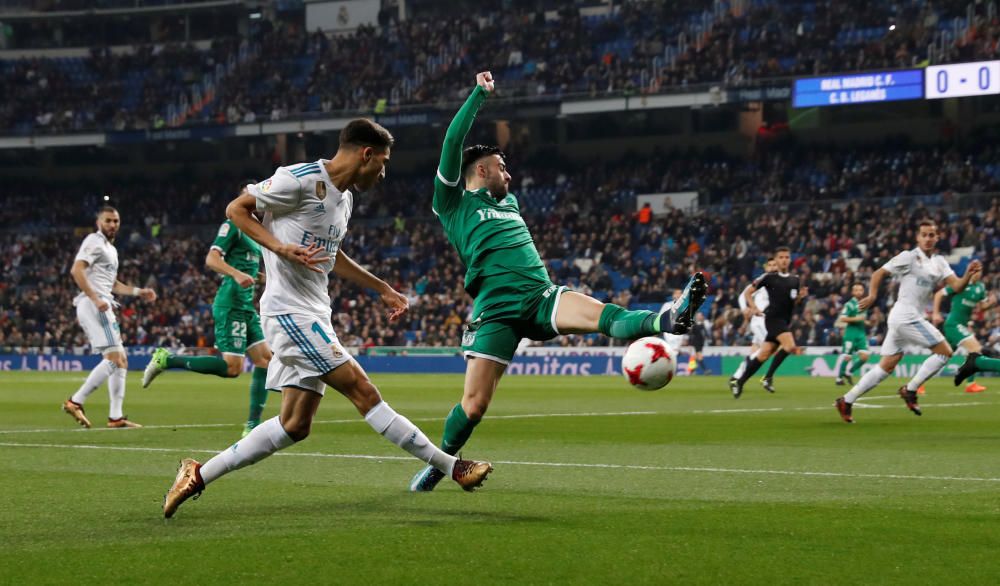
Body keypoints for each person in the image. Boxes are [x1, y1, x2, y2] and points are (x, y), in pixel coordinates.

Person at [162, 119, 493, 518]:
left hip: (316, 312)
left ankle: (197, 473)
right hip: (288, 313)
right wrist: (280, 248)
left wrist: (380, 286)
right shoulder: (298, 180)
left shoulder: (346, 199)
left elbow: (333, 256)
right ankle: (453, 467)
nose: (384, 173)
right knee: (363, 390)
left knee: (294, 424)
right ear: (365, 154)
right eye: (382, 163)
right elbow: (237, 210)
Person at [408, 72, 707, 492]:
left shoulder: (508, 202)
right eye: (502, 166)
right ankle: (440, 463)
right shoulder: (453, 204)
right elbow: (452, 143)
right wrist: (478, 95)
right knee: (474, 407)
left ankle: (669, 321)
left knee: (605, 316)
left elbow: (503, 189)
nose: (508, 174)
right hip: (496, 310)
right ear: (481, 167)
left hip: (540, 296)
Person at [142, 195, 274, 437]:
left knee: (265, 360)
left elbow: (247, 267)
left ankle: (252, 425)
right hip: (230, 304)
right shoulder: (233, 224)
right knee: (233, 368)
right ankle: (168, 360)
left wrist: (260, 277)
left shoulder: (254, 231)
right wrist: (235, 274)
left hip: (245, 306)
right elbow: (212, 259)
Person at [835, 220, 982, 423]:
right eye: (924, 235)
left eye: (932, 235)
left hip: (904, 318)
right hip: (905, 316)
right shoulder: (909, 257)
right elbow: (879, 273)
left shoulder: (939, 262)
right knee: (945, 352)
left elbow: (956, 286)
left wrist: (967, 274)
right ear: (918, 237)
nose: (928, 238)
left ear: (937, 237)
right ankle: (910, 390)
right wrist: (871, 296)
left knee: (886, 366)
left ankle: (846, 400)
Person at [62, 206, 156, 429]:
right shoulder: (94, 241)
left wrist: (138, 292)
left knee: (121, 360)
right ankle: (75, 401)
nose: (112, 224)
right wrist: (95, 299)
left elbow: (112, 284)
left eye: (116, 221)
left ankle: (116, 417)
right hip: (95, 305)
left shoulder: (110, 249)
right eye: (108, 220)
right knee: (114, 358)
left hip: (103, 302)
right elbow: (77, 270)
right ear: (99, 222)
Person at [729, 248, 805, 398]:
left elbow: (793, 303)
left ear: (790, 260)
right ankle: (768, 377)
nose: (784, 260)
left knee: (763, 355)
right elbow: (747, 292)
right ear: (776, 260)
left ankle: (740, 381)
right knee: (790, 346)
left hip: (784, 321)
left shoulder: (795, 280)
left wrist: (800, 298)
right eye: (781, 257)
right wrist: (753, 307)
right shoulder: (768, 277)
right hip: (773, 319)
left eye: (787, 257)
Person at [934, 269, 1000, 392]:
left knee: (941, 357)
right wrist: (936, 313)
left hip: (962, 325)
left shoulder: (980, 287)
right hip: (953, 324)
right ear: (970, 272)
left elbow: (981, 308)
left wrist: (991, 303)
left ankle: (918, 383)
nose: (978, 274)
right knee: (975, 349)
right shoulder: (961, 283)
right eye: (975, 271)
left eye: (980, 271)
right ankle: (970, 383)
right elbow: (939, 294)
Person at [731, 257, 776, 383]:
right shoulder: (762, 280)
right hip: (759, 321)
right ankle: (764, 378)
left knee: (756, 351)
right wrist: (745, 308)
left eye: (774, 265)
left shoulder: (778, 282)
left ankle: (737, 376)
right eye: (770, 265)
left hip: (768, 322)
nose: (772, 268)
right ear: (766, 267)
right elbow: (743, 295)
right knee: (768, 349)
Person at [835, 283, 871, 386]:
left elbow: (862, 318)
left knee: (865, 356)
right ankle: (838, 379)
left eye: (860, 290)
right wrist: (857, 319)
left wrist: (867, 322)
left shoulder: (865, 304)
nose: (859, 292)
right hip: (850, 333)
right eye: (856, 290)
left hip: (861, 333)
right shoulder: (849, 304)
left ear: (863, 291)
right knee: (847, 357)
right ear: (853, 292)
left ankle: (849, 372)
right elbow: (842, 318)